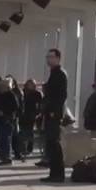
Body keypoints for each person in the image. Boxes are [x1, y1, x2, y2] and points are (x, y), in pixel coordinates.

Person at [41, 49, 68, 183]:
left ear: (58, 58)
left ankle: (57, 174)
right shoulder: (54, 73)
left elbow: (61, 95)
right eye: (47, 57)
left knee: (54, 143)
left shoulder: (59, 74)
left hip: (54, 114)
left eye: (51, 57)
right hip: (50, 113)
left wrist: (53, 111)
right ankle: (54, 173)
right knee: (51, 144)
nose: (48, 59)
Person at [0, 77, 20, 166]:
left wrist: (5, 112)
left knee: (5, 139)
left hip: (6, 120)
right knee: (1, 139)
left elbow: (15, 108)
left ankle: (7, 157)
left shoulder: (11, 95)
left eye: (2, 86)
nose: (0, 88)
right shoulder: (0, 95)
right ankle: (3, 156)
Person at [21, 79, 42, 156]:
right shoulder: (23, 92)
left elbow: (39, 105)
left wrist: (37, 113)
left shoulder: (37, 94)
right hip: (23, 115)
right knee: (23, 131)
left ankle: (29, 148)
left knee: (30, 132)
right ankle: (23, 148)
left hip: (32, 115)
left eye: (32, 84)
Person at [7, 76, 25, 161]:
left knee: (15, 135)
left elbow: (20, 106)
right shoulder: (9, 92)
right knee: (13, 135)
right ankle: (16, 152)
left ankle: (18, 152)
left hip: (15, 117)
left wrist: (18, 115)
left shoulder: (17, 92)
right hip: (11, 117)